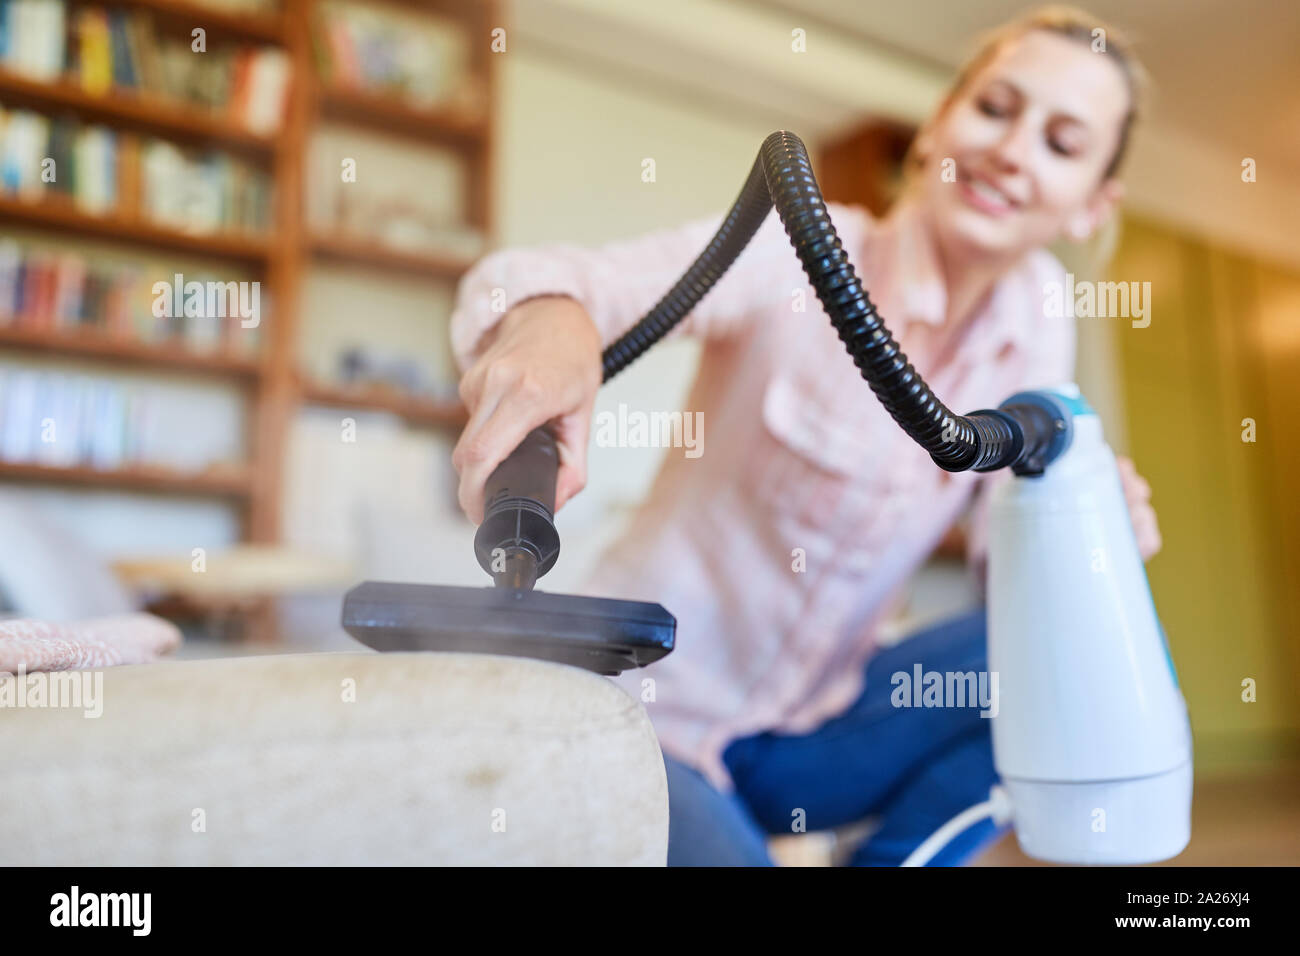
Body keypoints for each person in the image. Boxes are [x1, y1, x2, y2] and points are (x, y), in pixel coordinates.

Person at [447, 5, 1160, 866]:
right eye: (996, 108)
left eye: (1062, 142)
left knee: (1053, 651)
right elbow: (559, 281)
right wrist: (549, 321)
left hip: (809, 738)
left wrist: (1077, 545)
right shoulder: (793, 251)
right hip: (646, 716)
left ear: (1093, 206)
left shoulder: (1041, 319)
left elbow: (1000, 567)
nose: (1013, 150)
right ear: (938, 123)